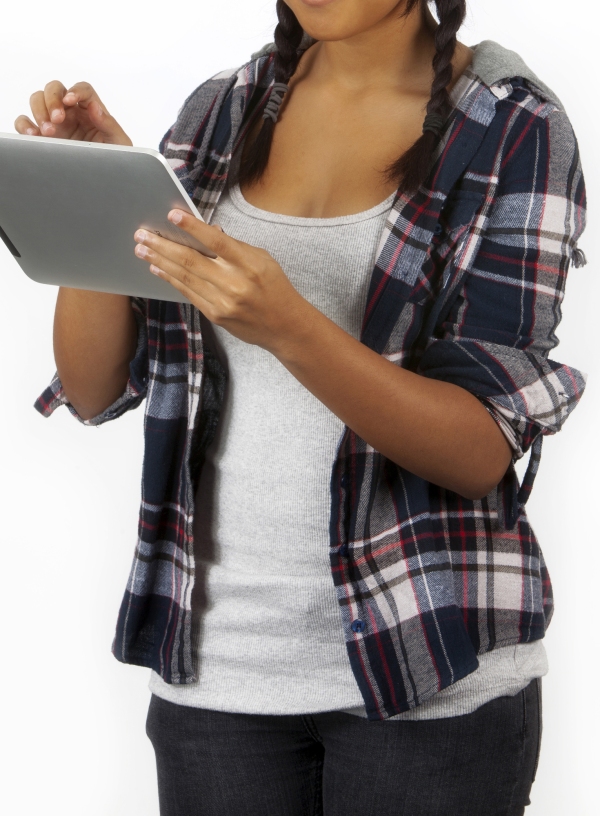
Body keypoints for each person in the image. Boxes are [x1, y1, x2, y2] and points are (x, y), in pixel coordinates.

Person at [19, 1, 587, 814]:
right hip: (218, 671)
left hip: (429, 670)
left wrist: (291, 328)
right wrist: (98, 202)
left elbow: (478, 448)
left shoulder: (513, 129)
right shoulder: (223, 107)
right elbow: (92, 386)